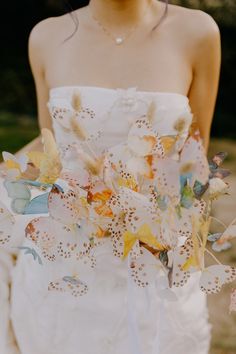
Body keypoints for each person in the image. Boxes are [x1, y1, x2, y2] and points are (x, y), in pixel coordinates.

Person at [0, 0, 221, 353]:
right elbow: (51, 151)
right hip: (69, 264)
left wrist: (169, 234)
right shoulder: (45, 36)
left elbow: (192, 165)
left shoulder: (198, 32)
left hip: (153, 261)